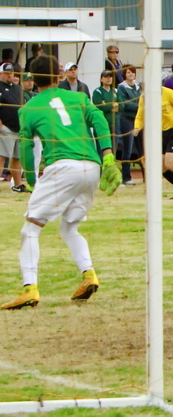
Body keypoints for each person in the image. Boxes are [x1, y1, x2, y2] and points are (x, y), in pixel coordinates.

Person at [1, 54, 119, 310]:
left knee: (30, 229)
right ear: (59, 76)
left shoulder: (29, 108)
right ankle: (89, 274)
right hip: (91, 167)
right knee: (69, 228)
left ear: (33, 79)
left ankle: (29, 289)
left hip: (63, 167)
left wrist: (32, 180)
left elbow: (26, 147)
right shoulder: (78, 97)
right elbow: (99, 120)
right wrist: (108, 155)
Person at [0, 62, 26, 192]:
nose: (9, 75)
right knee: (2, 156)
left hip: (18, 127)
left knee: (17, 158)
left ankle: (17, 184)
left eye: (11, 73)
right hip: (5, 127)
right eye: (6, 73)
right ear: (1, 74)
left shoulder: (17, 88)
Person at [116, 65, 141, 186]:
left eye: (133, 72)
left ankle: (147, 176)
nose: (131, 74)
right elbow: (125, 104)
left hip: (139, 119)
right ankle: (126, 177)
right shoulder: (121, 87)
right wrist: (140, 107)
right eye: (128, 72)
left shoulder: (137, 86)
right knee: (128, 148)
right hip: (127, 120)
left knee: (142, 148)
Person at [91, 69, 119, 152]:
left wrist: (107, 104)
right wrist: (113, 105)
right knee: (102, 149)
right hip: (102, 124)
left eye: (110, 77)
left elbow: (121, 106)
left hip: (114, 124)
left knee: (113, 149)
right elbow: (99, 107)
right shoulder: (98, 92)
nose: (108, 78)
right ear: (101, 79)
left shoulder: (115, 91)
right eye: (106, 77)